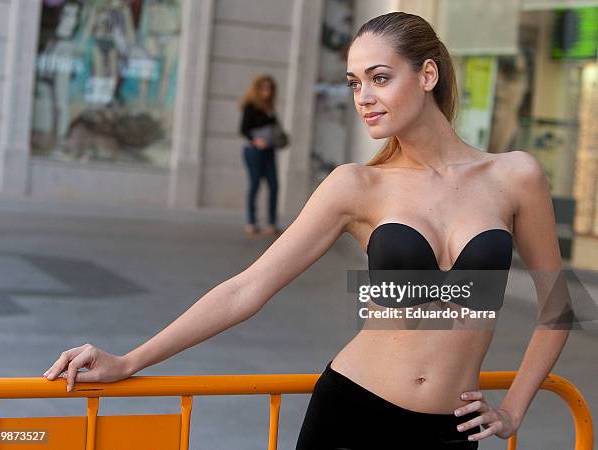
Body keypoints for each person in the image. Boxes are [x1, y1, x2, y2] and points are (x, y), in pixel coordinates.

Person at [42, 11, 569, 449]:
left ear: (427, 75)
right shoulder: (356, 186)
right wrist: (130, 359)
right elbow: (247, 289)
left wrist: (514, 408)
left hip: (452, 432)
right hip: (352, 414)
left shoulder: (515, 175)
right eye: (355, 82)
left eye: (380, 78)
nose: (363, 96)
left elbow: (558, 310)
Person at [238, 74, 282, 237]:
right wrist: (256, 141)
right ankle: (251, 221)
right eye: (264, 88)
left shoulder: (269, 107)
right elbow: (243, 129)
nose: (267, 91)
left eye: (270, 88)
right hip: (253, 151)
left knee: (274, 185)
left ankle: (272, 223)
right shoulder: (251, 106)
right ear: (257, 89)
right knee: (254, 184)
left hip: (269, 150)